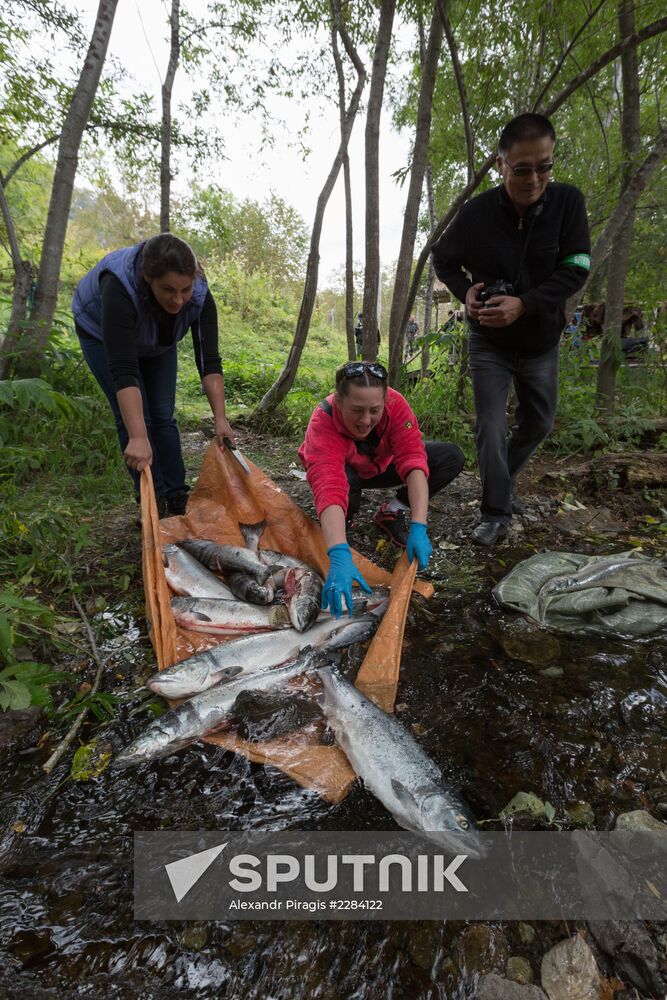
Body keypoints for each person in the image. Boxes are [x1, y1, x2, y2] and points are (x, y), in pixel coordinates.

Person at [431, 113, 590, 546]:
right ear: (501, 165)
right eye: (522, 168)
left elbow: (577, 268)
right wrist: (465, 292)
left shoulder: (567, 204)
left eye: (544, 166)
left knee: (539, 422)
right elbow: (442, 259)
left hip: (541, 341)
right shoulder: (476, 214)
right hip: (489, 342)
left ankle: (502, 482)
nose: (535, 178)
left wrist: (526, 303)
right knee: (490, 426)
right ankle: (495, 511)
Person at [73, 233, 234, 517]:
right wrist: (137, 437)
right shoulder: (118, 287)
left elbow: (209, 360)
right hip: (101, 334)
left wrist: (220, 419)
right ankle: (151, 500)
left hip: (157, 338)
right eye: (169, 289)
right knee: (138, 421)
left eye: (185, 289)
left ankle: (175, 494)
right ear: (148, 277)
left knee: (162, 414)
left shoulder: (199, 295)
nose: (178, 299)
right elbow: (124, 370)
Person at [298, 360, 465, 617]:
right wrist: (338, 552)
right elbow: (328, 485)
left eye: (374, 410)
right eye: (356, 410)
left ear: (385, 401)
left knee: (450, 456)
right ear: (339, 401)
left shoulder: (396, 405)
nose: (366, 420)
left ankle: (392, 510)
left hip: (382, 468)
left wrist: (420, 525)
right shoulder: (323, 420)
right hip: (348, 473)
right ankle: (343, 527)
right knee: (344, 489)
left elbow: (413, 460)